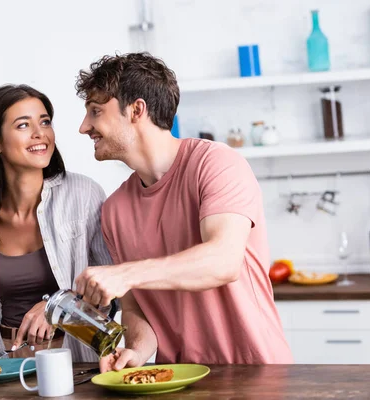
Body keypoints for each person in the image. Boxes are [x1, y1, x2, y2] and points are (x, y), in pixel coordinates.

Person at [73, 52, 293, 372]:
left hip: (256, 374)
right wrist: (136, 350)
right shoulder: (115, 209)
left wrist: (125, 273)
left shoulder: (215, 164)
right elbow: (137, 305)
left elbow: (223, 261)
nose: (84, 127)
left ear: (136, 110)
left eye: (96, 112)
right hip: (176, 380)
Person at [0, 84, 112, 362]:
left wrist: (57, 307)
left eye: (44, 122)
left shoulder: (83, 194)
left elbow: (110, 287)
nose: (40, 133)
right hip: (2, 363)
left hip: (77, 360)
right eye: (22, 125)